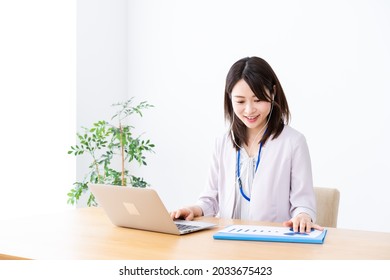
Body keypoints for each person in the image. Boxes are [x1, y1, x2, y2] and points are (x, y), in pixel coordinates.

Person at [171, 56, 323, 233]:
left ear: (273, 93)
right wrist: (191, 210)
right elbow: (210, 200)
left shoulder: (293, 142)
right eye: (240, 101)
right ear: (230, 99)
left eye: (258, 100)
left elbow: (303, 202)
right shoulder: (223, 142)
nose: (249, 110)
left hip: (272, 243)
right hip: (228, 242)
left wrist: (303, 215)